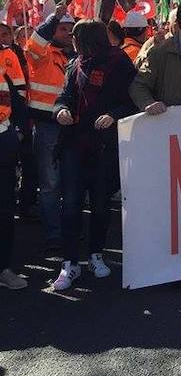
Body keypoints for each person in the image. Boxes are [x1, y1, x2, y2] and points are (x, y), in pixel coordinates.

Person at [51, 21, 137, 291]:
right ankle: (69, 262)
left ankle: (96, 255)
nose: (72, 41)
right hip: (74, 145)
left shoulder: (120, 62)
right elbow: (63, 96)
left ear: (86, 39)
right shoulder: (75, 64)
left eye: (75, 36)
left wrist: (113, 115)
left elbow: (132, 100)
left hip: (104, 147)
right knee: (72, 204)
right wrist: (61, 110)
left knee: (100, 204)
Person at [26, 4, 75, 252]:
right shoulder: (41, 55)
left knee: (70, 181)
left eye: (71, 28)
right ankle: (54, 234)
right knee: (50, 184)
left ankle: (69, 230)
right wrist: (53, 18)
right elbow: (34, 44)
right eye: (63, 29)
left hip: (71, 128)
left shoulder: (75, 57)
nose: (69, 33)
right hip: (47, 127)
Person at [0, 44, 28, 289]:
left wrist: (16, 133)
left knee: (5, 212)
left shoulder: (3, 67)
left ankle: (4, 268)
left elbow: (15, 103)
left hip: (2, 147)